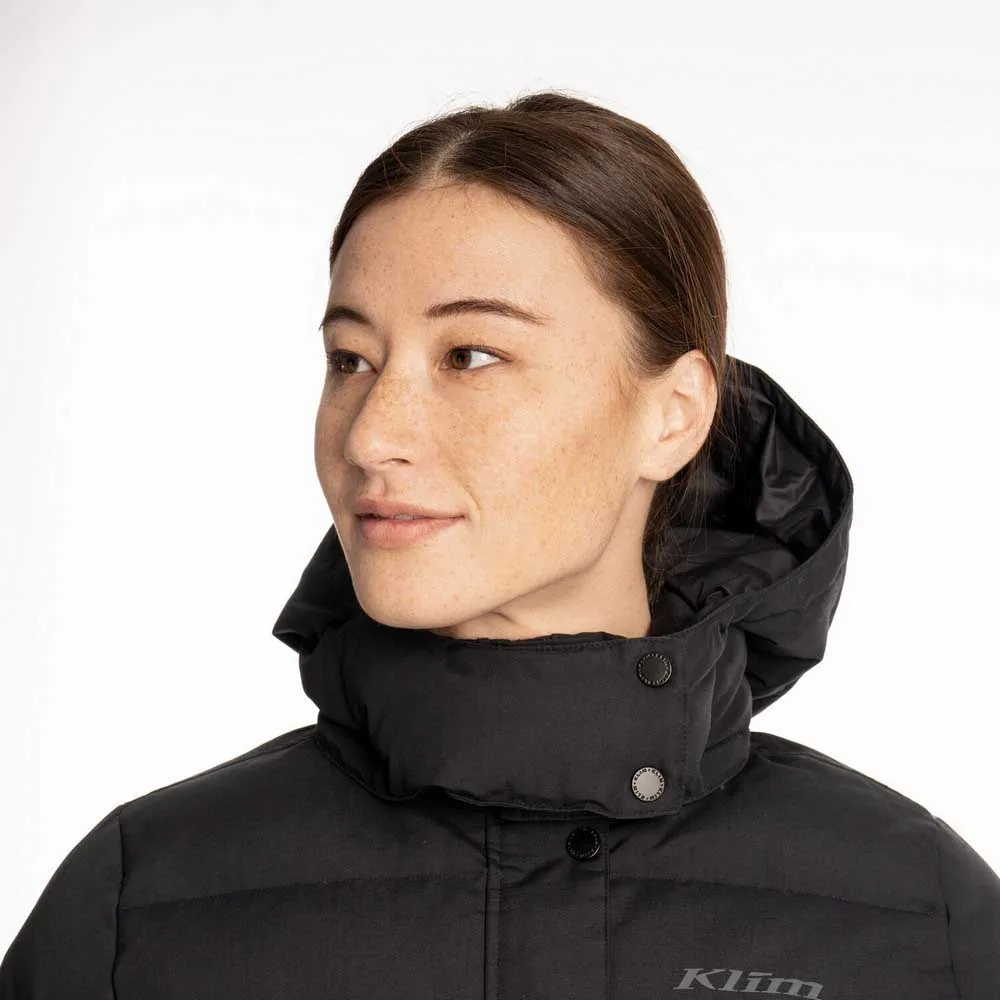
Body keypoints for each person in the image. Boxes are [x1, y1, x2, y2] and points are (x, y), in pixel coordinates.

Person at [3, 89, 998, 999]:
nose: (370, 435)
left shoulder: (923, 918)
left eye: (470, 355)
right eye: (350, 359)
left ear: (673, 415)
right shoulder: (139, 908)